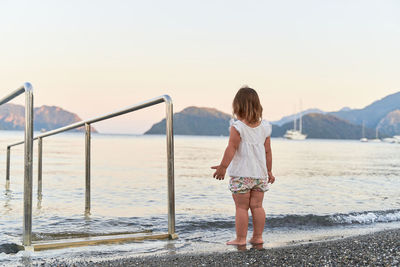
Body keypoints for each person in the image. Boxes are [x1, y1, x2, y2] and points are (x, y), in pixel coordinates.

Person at [211, 86, 275, 246]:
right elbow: (268, 152)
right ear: (257, 106)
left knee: (241, 207)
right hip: (260, 176)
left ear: (237, 107)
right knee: (258, 206)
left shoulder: (237, 127)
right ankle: (258, 237)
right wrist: (269, 171)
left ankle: (240, 239)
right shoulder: (265, 128)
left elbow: (231, 148)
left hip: (241, 175)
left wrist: (223, 167)